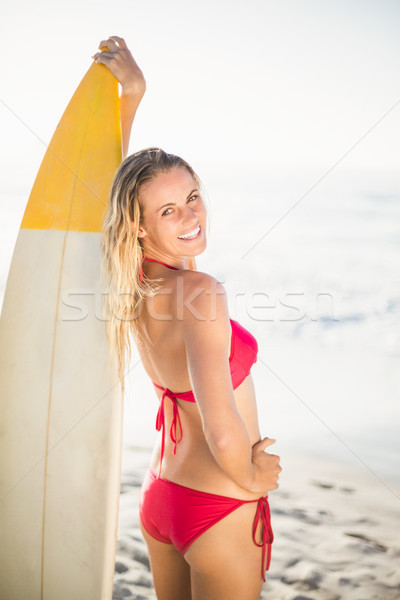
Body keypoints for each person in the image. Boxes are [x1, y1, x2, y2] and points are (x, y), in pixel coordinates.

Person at [96, 36, 282, 600]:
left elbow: (108, 198)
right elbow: (222, 425)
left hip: (161, 496)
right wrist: (254, 480)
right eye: (169, 210)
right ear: (140, 224)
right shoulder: (200, 292)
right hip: (218, 500)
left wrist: (132, 96)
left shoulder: (127, 282)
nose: (191, 216)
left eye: (194, 196)